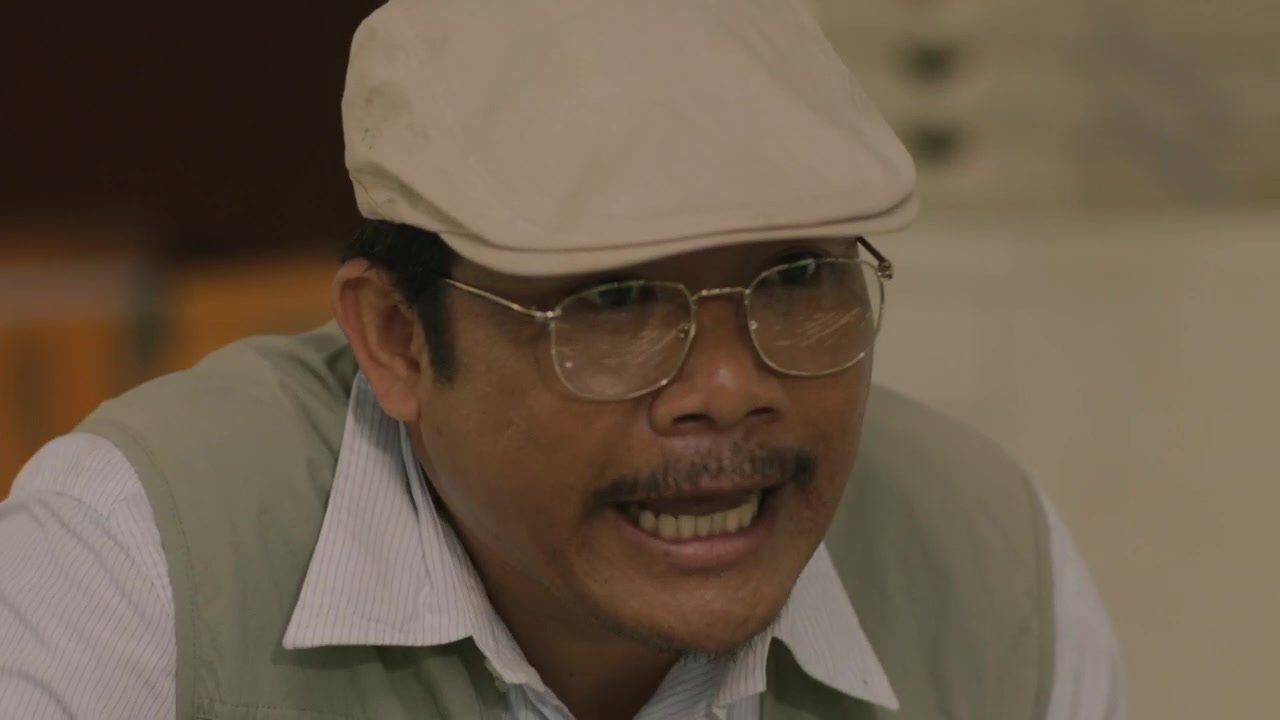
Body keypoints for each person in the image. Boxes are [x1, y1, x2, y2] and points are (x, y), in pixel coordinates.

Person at [0, 1, 1126, 718]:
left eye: (794, 280)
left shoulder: (988, 576)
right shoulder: (142, 566)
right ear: (396, 339)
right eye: (614, 303)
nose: (727, 390)